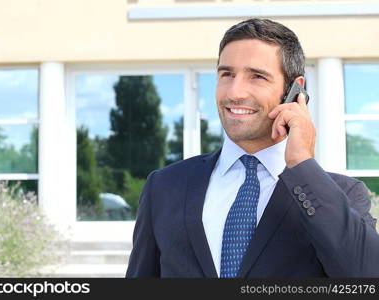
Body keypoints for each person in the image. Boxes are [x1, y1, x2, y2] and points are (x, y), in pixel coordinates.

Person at [126, 18, 379, 278]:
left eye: (257, 76)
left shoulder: (343, 194)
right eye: (227, 74)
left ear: (294, 90)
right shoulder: (164, 187)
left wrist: (303, 164)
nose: (235, 92)